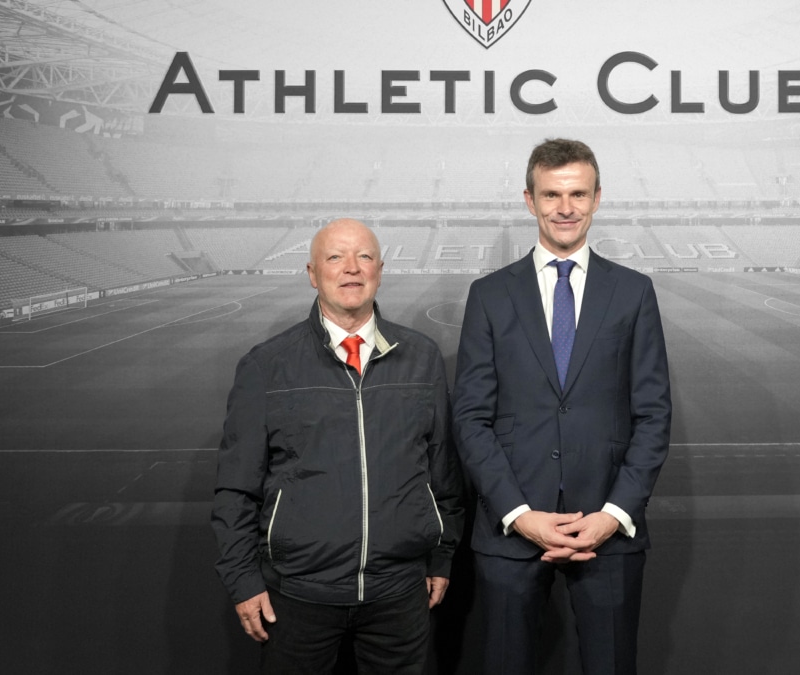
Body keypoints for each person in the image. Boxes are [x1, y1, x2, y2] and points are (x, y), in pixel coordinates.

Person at [452, 139, 672, 675]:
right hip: (511, 533)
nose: (565, 207)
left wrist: (613, 516)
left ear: (598, 198)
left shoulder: (634, 292)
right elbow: (471, 418)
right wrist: (519, 515)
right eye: (552, 194)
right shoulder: (489, 294)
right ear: (530, 200)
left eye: (577, 193)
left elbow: (652, 415)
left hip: (608, 533)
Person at [211, 218, 464, 674]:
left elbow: (443, 470)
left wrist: (442, 554)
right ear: (312, 273)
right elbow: (235, 488)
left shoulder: (422, 356)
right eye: (335, 257)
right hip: (298, 597)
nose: (352, 268)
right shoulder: (267, 365)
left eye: (364, 256)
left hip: (399, 595)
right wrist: (243, 579)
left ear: (380, 270)